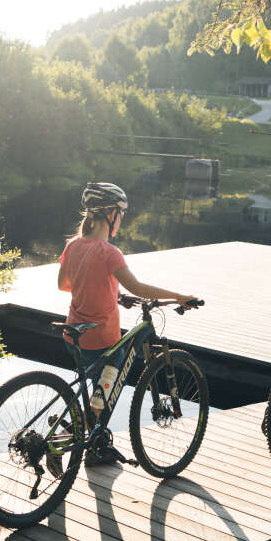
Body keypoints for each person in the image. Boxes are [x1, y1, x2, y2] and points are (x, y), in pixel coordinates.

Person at [57, 181, 199, 466]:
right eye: (120, 213)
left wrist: (111, 292)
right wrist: (178, 296)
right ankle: (62, 440)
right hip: (104, 340)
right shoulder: (109, 252)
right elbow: (139, 288)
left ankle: (95, 446)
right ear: (110, 213)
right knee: (103, 399)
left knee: (96, 393)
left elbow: (64, 284)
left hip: (74, 334)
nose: (121, 220)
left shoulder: (73, 246)